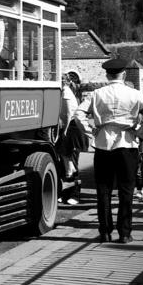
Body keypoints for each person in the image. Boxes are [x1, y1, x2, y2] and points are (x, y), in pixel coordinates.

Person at [74, 58, 143, 244]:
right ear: (124, 74)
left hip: (103, 145)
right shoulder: (134, 94)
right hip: (127, 144)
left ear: (107, 74)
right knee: (126, 191)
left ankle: (104, 231)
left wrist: (92, 131)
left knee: (103, 191)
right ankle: (125, 233)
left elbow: (78, 114)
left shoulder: (97, 94)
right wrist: (141, 133)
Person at [58, 74, 84, 205]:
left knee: (72, 163)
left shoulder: (66, 93)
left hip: (72, 129)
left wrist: (65, 130)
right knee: (66, 162)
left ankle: (76, 195)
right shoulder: (64, 92)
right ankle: (66, 193)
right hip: (70, 128)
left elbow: (69, 114)